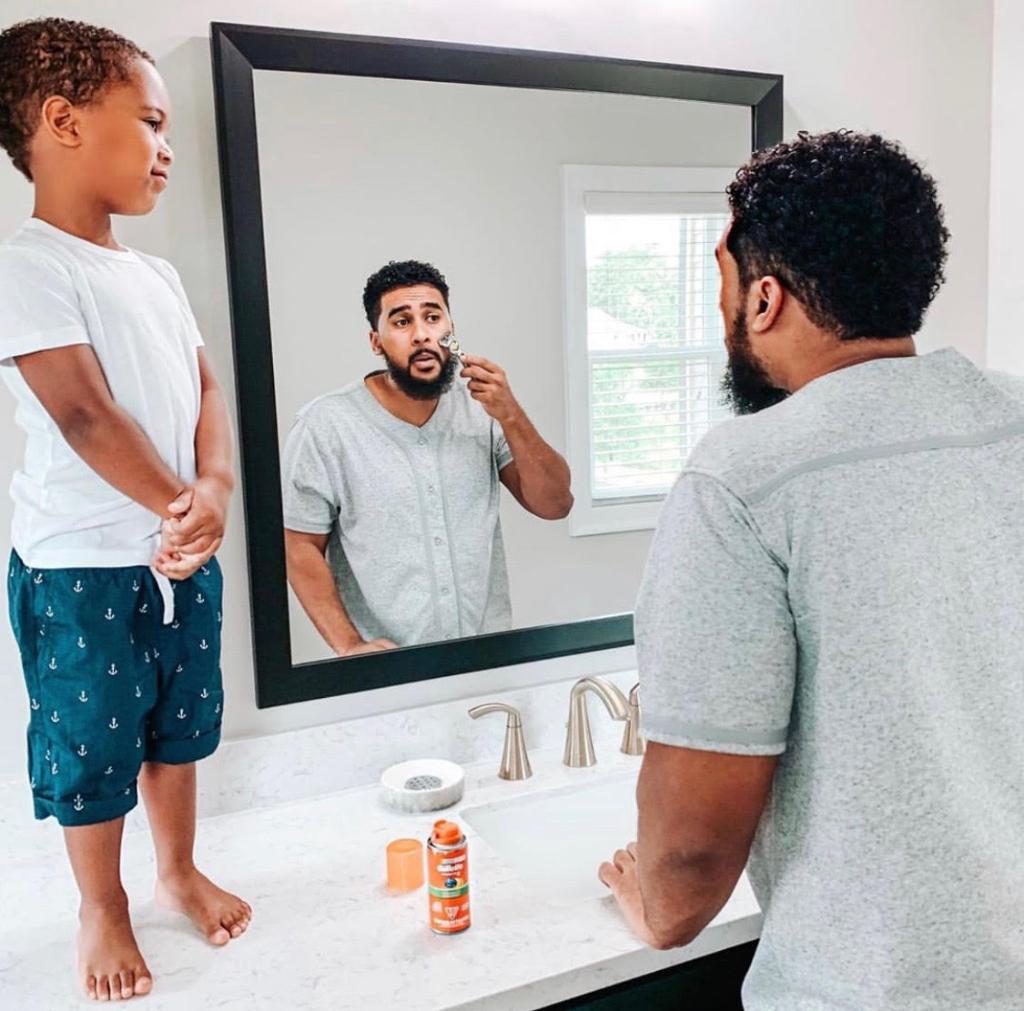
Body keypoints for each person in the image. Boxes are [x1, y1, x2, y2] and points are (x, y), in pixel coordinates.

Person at [599, 130, 1024, 1009]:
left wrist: (655, 904)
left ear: (762, 297)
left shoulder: (744, 478)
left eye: (720, 278)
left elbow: (690, 850)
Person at [0, 18, 250, 1002]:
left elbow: (207, 392)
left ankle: (177, 868)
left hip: (181, 553)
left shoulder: (157, 274)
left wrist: (216, 493)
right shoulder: (28, 263)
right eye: (149, 121)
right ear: (63, 122)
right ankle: (101, 903)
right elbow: (79, 407)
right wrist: (181, 503)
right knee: (94, 740)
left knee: (178, 727)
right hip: (82, 566)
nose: (168, 146)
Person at [282, 259, 573, 655]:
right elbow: (299, 545)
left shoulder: (483, 413)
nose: (421, 334)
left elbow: (555, 504)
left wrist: (511, 414)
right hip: (385, 663)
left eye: (433, 317)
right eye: (402, 322)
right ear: (376, 341)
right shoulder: (325, 425)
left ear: (451, 331)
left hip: (486, 651)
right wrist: (349, 645)